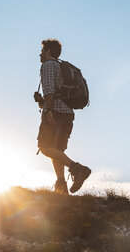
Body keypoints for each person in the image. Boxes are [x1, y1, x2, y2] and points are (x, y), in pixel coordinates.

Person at [35, 39, 91, 194]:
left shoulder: (48, 65)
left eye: (42, 51)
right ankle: (61, 186)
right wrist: (42, 103)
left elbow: (50, 92)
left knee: (45, 147)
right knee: (57, 150)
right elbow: (57, 92)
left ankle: (78, 169)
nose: (40, 54)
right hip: (67, 113)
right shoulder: (60, 66)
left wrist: (47, 111)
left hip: (56, 111)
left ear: (48, 51)